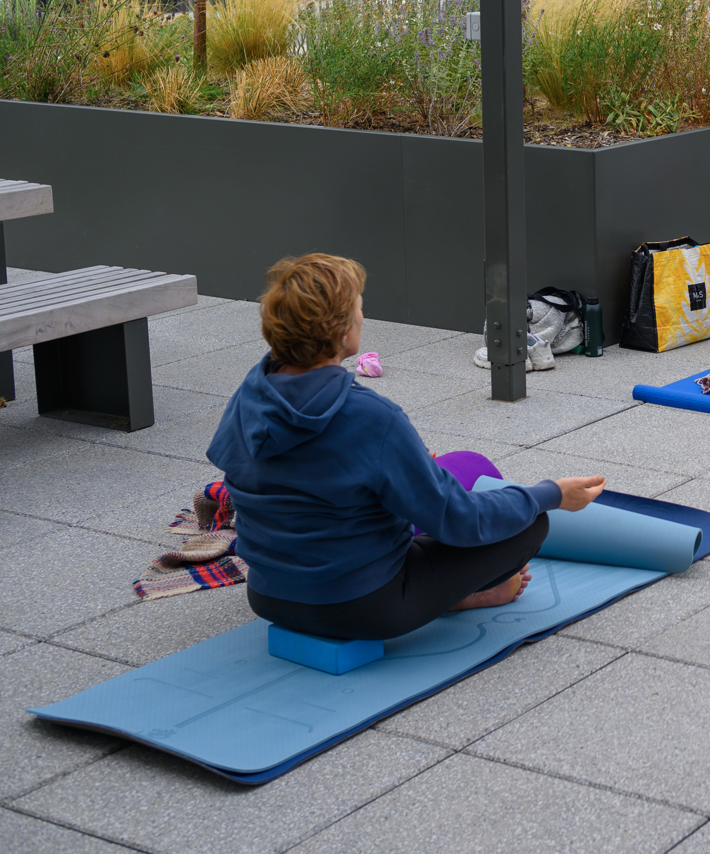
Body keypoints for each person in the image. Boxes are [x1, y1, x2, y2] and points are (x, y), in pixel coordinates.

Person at [208, 253, 605, 641]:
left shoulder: (250, 394)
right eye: (359, 308)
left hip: (268, 596)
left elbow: (286, 478)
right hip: (362, 606)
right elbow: (460, 520)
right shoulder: (371, 415)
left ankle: (439, 585)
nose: (363, 316)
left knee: (461, 466)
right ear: (343, 333)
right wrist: (551, 494)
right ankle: (456, 598)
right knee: (530, 523)